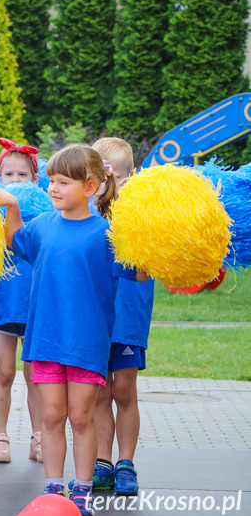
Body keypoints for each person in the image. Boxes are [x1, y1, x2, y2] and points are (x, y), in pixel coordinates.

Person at [0, 144, 148, 516]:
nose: (54, 189)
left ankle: (83, 489)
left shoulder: (106, 234)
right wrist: (11, 207)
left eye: (63, 182)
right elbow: (15, 239)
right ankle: (53, 488)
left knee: (81, 417)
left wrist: (148, 240)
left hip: (87, 344)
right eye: (51, 181)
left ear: (90, 187)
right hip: (44, 341)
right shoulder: (43, 224)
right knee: (52, 417)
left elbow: (139, 273)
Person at [91, 137, 154, 496]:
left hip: (129, 316)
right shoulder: (87, 212)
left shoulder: (142, 213)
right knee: (99, 392)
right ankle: (101, 461)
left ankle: (125, 463)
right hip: (95, 317)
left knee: (125, 390)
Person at [0, 139, 43, 464]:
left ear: (35, 179)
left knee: (35, 373)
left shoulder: (46, 213)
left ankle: (39, 437)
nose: (16, 180)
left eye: (23, 174)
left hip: (36, 303)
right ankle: (0, 437)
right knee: (4, 371)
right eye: (9, 174)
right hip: (2, 303)